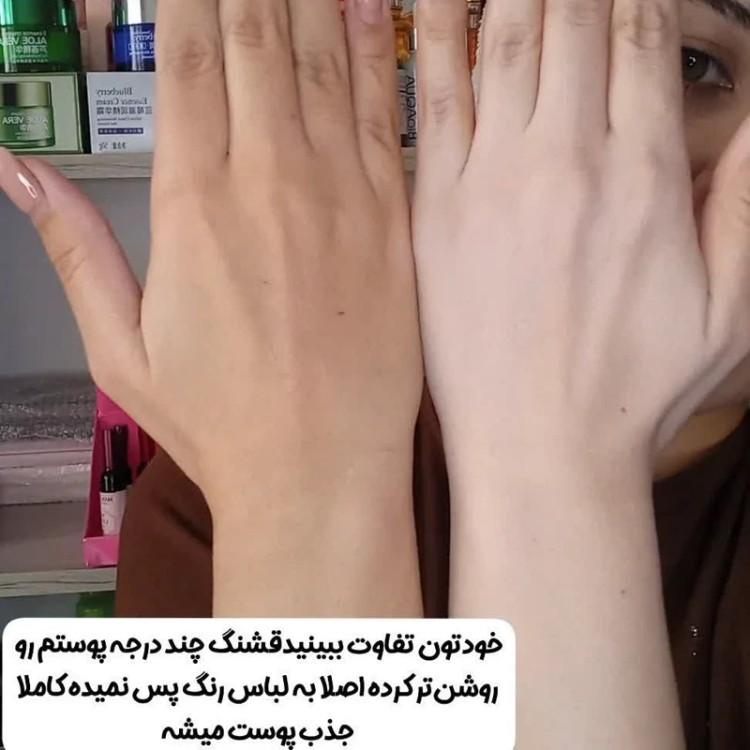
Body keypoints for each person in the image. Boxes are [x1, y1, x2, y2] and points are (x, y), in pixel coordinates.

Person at [3, 0, 750, 747]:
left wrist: (551, 461)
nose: (593, 167)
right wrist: (307, 496)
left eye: (688, 64)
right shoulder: (213, 498)